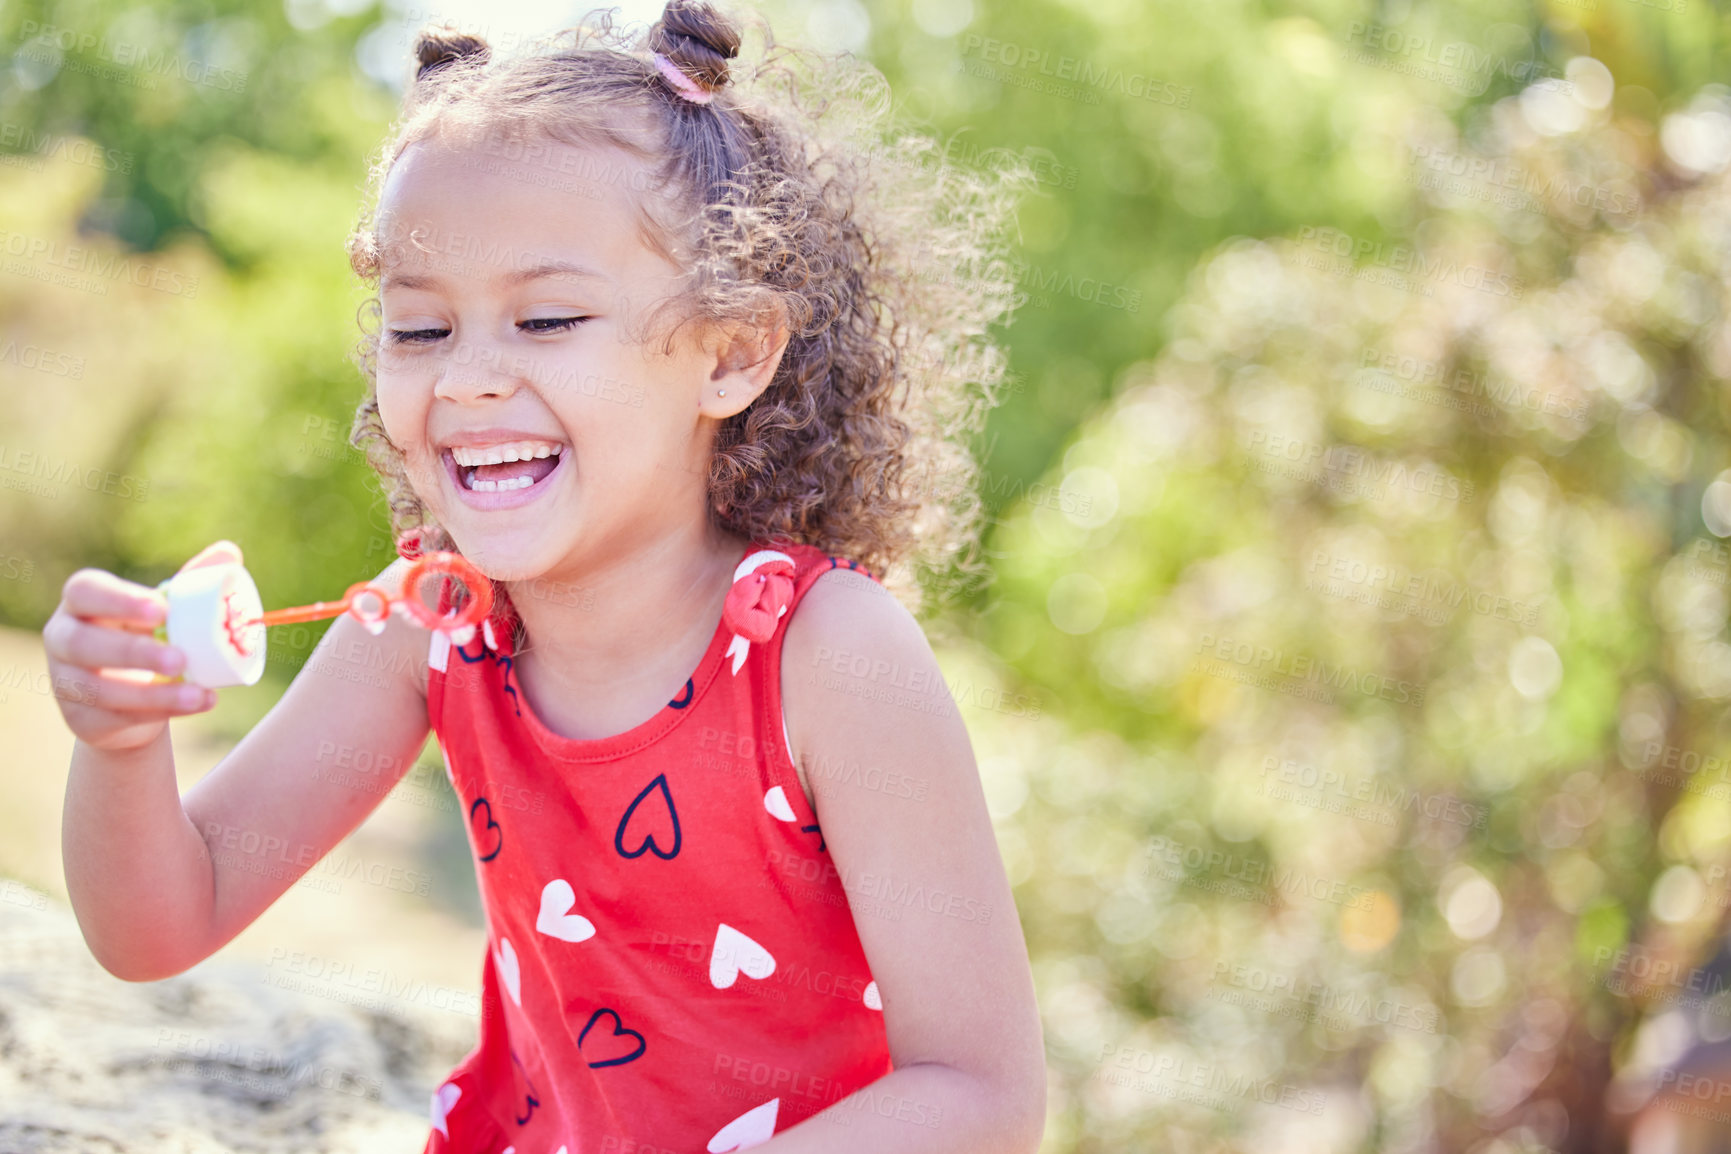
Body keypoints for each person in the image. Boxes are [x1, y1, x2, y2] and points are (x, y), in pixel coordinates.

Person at [45, 1, 1045, 1150]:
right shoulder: (431, 621)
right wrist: (120, 740)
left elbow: (981, 1093)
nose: (468, 379)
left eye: (549, 316)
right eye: (420, 330)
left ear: (731, 351)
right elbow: (164, 921)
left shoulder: (828, 658)